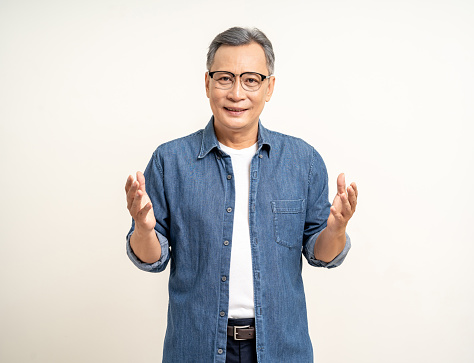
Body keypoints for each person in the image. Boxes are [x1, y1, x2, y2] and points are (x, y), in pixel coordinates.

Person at [125, 27, 358, 363]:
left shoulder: (302, 161)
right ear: (207, 83)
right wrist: (144, 230)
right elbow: (151, 259)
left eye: (251, 79)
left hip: (281, 349)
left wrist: (335, 230)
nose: (237, 93)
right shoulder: (169, 161)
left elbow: (321, 254)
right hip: (196, 348)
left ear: (269, 87)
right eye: (224, 78)